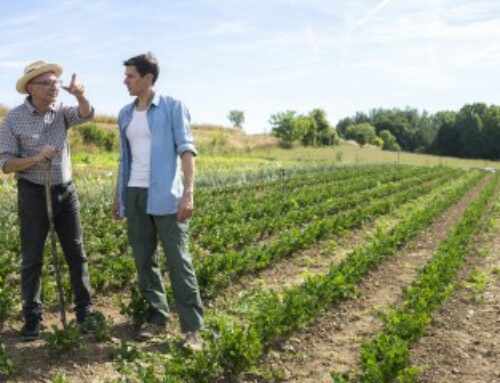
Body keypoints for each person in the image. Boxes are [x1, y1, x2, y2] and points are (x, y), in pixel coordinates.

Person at [113, 52, 204, 349]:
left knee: (179, 261)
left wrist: (188, 193)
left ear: (148, 78)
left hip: (165, 194)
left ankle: (193, 330)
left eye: (130, 76)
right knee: (144, 261)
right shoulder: (125, 113)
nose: (125, 80)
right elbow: (123, 159)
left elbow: (186, 152)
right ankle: (157, 316)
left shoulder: (173, 107)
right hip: (134, 193)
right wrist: (119, 195)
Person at [0, 60, 95, 341]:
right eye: (48, 83)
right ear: (31, 87)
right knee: (32, 257)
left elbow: (86, 114)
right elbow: (5, 164)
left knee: (76, 253)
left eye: (57, 82)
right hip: (32, 192)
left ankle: (85, 311)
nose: (56, 87)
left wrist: (79, 94)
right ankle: (32, 317)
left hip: (65, 192)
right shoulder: (13, 119)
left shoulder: (62, 113)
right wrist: (35, 158)